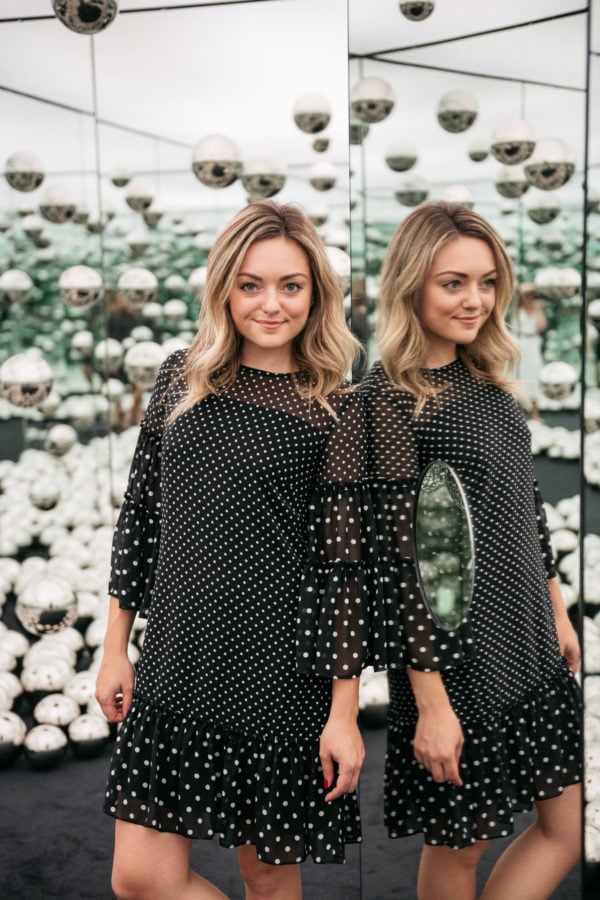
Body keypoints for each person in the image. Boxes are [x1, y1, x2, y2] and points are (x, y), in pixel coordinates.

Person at [95, 200, 373, 900]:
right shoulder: (177, 377)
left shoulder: (335, 408)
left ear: (316, 294)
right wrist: (114, 643)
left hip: (280, 674)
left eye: (290, 285)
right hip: (178, 659)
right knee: (139, 878)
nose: (270, 304)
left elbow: (346, 572)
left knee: (267, 876)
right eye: (251, 284)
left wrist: (343, 712)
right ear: (224, 287)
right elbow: (142, 516)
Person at [360, 202, 582, 900]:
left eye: (488, 282)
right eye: (454, 282)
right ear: (411, 285)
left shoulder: (489, 385)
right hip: (455, 660)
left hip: (528, 639)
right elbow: (392, 567)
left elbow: (526, 506)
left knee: (565, 831)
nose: (477, 300)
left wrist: (557, 608)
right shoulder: (387, 401)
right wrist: (430, 702)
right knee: (462, 846)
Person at [512, 282, 547, 423]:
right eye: (527, 295)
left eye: (532, 295)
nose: (529, 298)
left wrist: (539, 311)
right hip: (520, 343)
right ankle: (519, 413)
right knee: (519, 376)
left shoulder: (536, 310)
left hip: (532, 344)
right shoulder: (515, 309)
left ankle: (534, 413)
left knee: (534, 376)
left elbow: (541, 327)